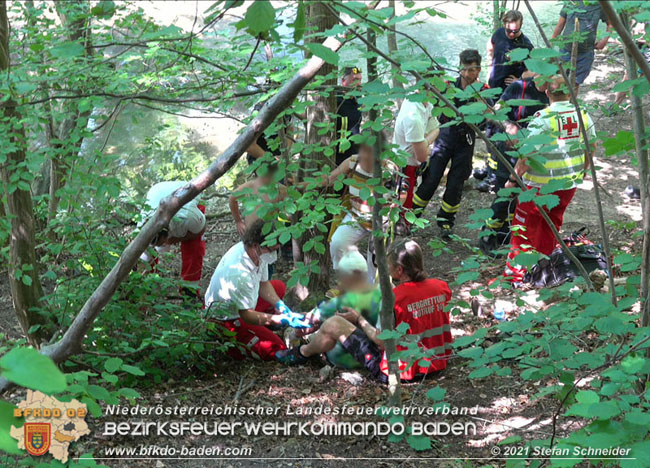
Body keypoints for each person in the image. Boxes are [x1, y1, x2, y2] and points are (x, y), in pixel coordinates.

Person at [276, 239, 453, 384]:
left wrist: (358, 319)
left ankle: (301, 353)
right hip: (435, 362)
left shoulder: (394, 298)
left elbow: (382, 342)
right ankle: (305, 350)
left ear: (399, 270)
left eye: (389, 265)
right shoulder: (441, 288)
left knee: (334, 324)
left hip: (400, 370)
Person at [504, 76, 596, 282]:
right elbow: (592, 147)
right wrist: (582, 172)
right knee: (551, 225)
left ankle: (515, 276)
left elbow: (527, 157)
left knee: (523, 229)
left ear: (547, 93)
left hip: (539, 185)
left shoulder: (543, 119)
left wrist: (511, 179)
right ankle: (543, 269)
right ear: (571, 91)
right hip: (567, 185)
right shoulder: (583, 116)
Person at [205, 219, 310, 360]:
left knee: (278, 286)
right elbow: (247, 315)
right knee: (277, 349)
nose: (273, 254)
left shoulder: (257, 254)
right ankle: (235, 342)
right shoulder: (239, 273)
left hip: (243, 304)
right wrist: (279, 319)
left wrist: (280, 305)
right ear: (256, 245)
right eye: (271, 250)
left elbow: (263, 283)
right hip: (228, 318)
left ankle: (265, 326)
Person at [412, 49, 490, 239]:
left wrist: (480, 105)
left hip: (466, 141)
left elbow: (489, 115)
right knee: (431, 179)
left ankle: (446, 221)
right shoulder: (447, 86)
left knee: (456, 183)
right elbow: (429, 100)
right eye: (468, 69)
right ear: (460, 68)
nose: (472, 74)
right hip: (445, 137)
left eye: (475, 69)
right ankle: (412, 216)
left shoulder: (484, 90)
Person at [479, 72, 550, 257]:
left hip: (532, 151)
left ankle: (505, 233)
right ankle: (486, 234)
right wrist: (508, 125)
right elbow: (494, 112)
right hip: (509, 146)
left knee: (520, 194)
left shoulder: (552, 94)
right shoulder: (519, 87)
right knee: (507, 192)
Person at [326, 142, 396, 283]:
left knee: (375, 260)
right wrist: (301, 185)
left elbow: (400, 197)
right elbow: (330, 178)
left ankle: (374, 290)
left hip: (380, 220)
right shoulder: (353, 161)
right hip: (355, 215)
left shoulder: (390, 170)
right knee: (337, 243)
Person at [307, 248, 382, 369]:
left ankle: (304, 350)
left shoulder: (343, 301)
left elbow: (312, 317)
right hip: (373, 352)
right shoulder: (380, 292)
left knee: (326, 327)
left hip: (347, 359)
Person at [139, 181, 206, 300]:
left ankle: (189, 292)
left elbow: (200, 230)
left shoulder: (188, 216)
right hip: (158, 192)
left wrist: (176, 239)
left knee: (193, 248)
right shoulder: (143, 224)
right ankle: (148, 288)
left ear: (167, 235)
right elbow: (142, 256)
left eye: (162, 242)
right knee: (147, 254)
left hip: (190, 195)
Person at [392, 79, 440, 217]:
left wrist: (424, 141)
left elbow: (436, 128)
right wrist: (427, 141)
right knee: (402, 206)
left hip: (412, 163)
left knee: (408, 200)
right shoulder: (413, 116)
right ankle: (398, 231)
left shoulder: (426, 102)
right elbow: (422, 156)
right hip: (404, 165)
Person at [552, 0, 612, 87]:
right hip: (566, 50)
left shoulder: (599, 4)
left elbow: (610, 24)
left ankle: (572, 100)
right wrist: (551, 45)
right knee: (558, 81)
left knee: (575, 84)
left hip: (585, 53)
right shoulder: (571, 2)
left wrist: (604, 40)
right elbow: (560, 24)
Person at [486, 10, 535, 92]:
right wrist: (490, 67)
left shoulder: (526, 45)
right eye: (508, 30)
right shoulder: (499, 33)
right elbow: (491, 44)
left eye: (515, 31)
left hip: (509, 90)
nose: (511, 34)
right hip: (493, 83)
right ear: (504, 24)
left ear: (521, 25)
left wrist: (519, 80)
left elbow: (533, 69)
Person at [335, 66, 363, 166]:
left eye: (360, 80)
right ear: (343, 81)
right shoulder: (335, 99)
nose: (359, 83)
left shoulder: (358, 99)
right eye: (355, 80)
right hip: (336, 156)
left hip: (354, 154)